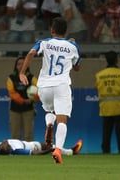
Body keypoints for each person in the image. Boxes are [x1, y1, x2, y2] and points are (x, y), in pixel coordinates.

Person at [19, 17, 82, 164]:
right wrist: (73, 45)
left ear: (51, 30)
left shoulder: (44, 42)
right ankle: (58, 150)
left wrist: (22, 72)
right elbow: (77, 68)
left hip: (44, 86)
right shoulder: (72, 46)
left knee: (50, 112)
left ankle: (49, 124)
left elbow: (30, 54)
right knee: (62, 120)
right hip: (61, 85)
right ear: (65, 31)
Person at [95, 51, 120, 154]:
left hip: (105, 108)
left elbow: (97, 89)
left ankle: (105, 152)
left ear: (106, 60)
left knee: (106, 132)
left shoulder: (99, 75)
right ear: (116, 60)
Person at [7, 57, 39, 141]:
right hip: (14, 110)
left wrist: (32, 99)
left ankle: (29, 152)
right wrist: (23, 101)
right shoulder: (11, 78)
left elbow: (39, 89)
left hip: (28, 110)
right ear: (16, 66)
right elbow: (12, 92)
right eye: (19, 64)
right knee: (15, 135)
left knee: (28, 134)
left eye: (23, 63)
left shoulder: (31, 78)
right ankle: (16, 152)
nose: (21, 66)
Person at [0, 137, 83, 156]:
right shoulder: (17, 149)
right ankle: (70, 152)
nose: (4, 142)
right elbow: (35, 154)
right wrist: (50, 150)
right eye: (5, 145)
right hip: (27, 144)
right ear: (9, 148)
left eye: (3, 144)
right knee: (45, 144)